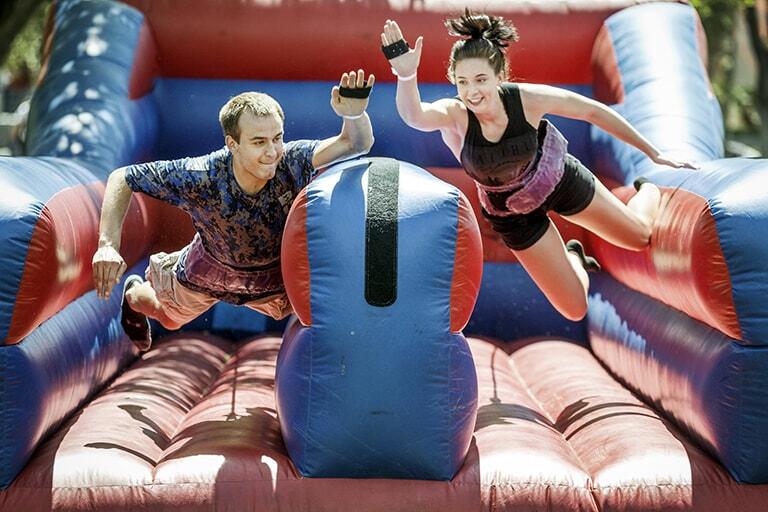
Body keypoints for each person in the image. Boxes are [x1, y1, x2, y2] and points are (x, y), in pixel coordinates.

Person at [380, 11, 696, 322]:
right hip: (513, 215)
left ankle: (648, 192)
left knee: (639, 237)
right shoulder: (455, 116)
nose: (472, 91)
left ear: (499, 76)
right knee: (575, 309)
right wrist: (406, 75)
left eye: (480, 80)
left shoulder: (526, 100)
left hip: (558, 181)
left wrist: (653, 153)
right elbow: (415, 117)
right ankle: (574, 256)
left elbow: (593, 112)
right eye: (463, 82)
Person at [92, 69, 376, 351]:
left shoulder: (292, 160)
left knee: (321, 308)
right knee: (168, 319)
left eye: (277, 138)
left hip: (270, 281)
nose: (272, 151)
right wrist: (107, 245)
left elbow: (356, 143)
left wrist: (353, 115)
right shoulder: (202, 176)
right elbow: (123, 177)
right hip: (208, 270)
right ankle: (133, 295)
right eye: (258, 142)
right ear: (232, 144)